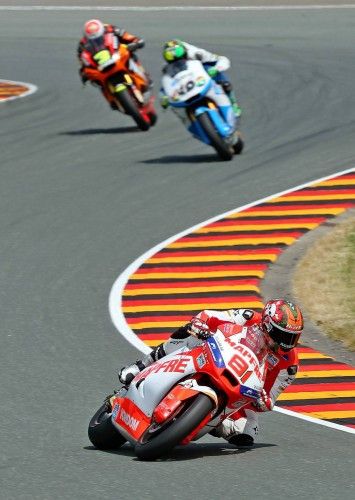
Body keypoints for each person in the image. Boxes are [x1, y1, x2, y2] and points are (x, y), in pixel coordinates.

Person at [118, 299, 303, 448]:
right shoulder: (248, 317)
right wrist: (200, 323)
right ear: (267, 325)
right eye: (283, 336)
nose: (287, 343)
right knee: (190, 334)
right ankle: (144, 364)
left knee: (247, 434)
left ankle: (212, 423)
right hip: (218, 356)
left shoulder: (290, 366)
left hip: (244, 389)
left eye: (293, 338)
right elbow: (211, 316)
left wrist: (264, 402)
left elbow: (271, 398)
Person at [77, 19, 152, 106]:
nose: (96, 41)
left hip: (116, 54)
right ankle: (112, 99)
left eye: (98, 39)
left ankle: (144, 75)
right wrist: (83, 73)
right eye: (93, 40)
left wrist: (136, 42)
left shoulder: (110, 29)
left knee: (131, 55)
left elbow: (127, 36)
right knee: (96, 82)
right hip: (101, 66)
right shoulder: (82, 46)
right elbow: (82, 61)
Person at [159, 39, 241, 118]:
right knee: (175, 108)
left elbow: (222, 60)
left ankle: (232, 102)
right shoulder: (167, 69)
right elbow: (166, 85)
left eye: (180, 58)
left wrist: (216, 68)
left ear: (185, 53)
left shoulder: (198, 54)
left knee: (220, 77)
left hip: (202, 72)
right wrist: (164, 97)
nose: (177, 62)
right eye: (172, 60)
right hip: (185, 82)